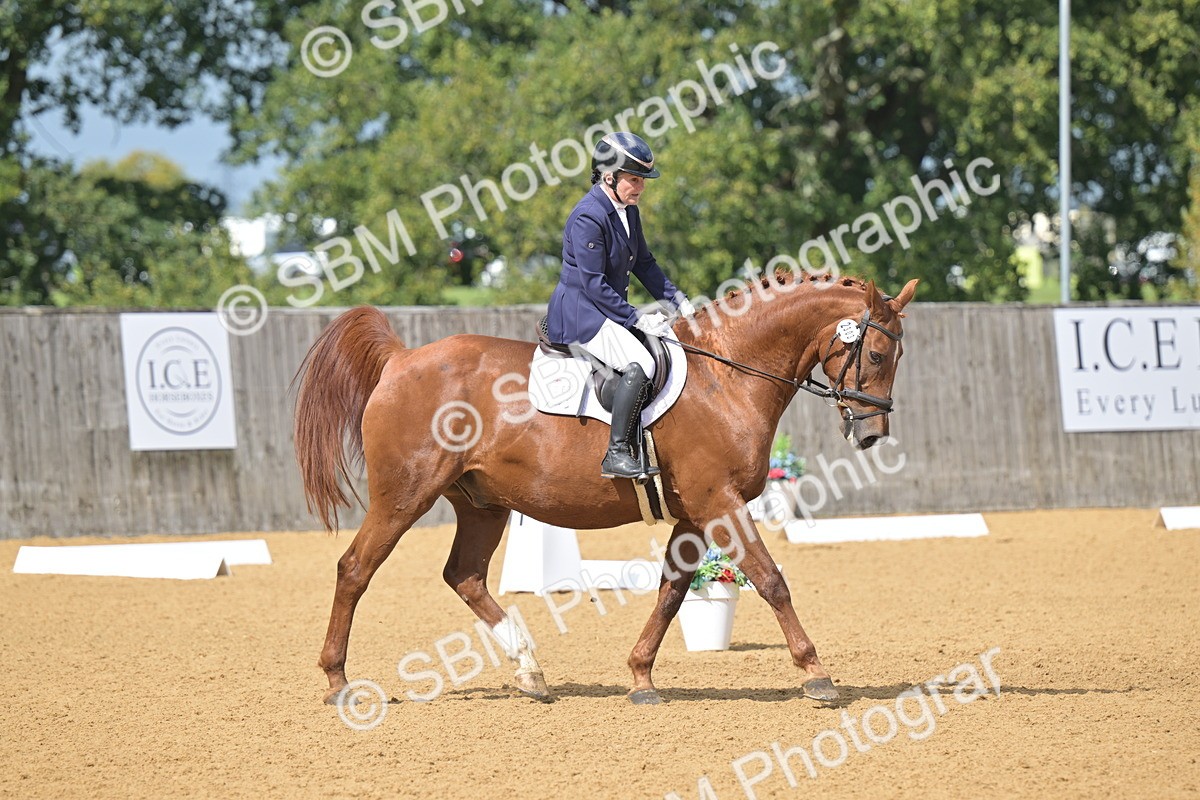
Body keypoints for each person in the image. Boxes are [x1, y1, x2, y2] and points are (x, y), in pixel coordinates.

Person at [546, 132, 695, 480]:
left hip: (604, 309)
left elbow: (644, 263)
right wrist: (635, 319)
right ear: (609, 176)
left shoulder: (628, 211)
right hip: (579, 314)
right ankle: (616, 454)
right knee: (641, 362)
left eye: (642, 180)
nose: (640, 187)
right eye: (634, 179)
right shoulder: (588, 216)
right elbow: (593, 285)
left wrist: (679, 300)